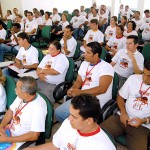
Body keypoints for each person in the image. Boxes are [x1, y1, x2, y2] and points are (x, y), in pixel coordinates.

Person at [24, 94, 116, 150]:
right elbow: (54, 146)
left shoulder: (103, 147)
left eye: (74, 117)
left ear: (89, 121)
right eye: (70, 114)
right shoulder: (68, 123)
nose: (68, 118)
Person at [55, 42, 114, 122]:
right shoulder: (84, 63)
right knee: (58, 113)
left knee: (77, 119)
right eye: (85, 51)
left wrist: (81, 92)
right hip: (82, 97)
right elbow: (79, 81)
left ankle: (79, 130)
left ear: (96, 55)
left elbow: (102, 89)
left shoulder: (106, 67)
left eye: (88, 53)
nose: (84, 54)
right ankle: (75, 129)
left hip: (96, 101)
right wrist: (72, 89)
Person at [100, 60, 150, 150]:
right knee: (96, 135)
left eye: (149, 76)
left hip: (142, 126)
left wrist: (144, 120)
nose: (145, 78)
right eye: (143, 73)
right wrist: (123, 113)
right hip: (121, 118)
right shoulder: (133, 78)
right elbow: (120, 97)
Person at [0, 76, 47, 150]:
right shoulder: (21, 96)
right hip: (10, 130)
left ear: (25, 94)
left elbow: (34, 135)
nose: (15, 89)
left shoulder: (38, 108)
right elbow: (11, 111)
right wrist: (1, 126)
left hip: (21, 139)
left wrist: (7, 139)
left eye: (17, 88)